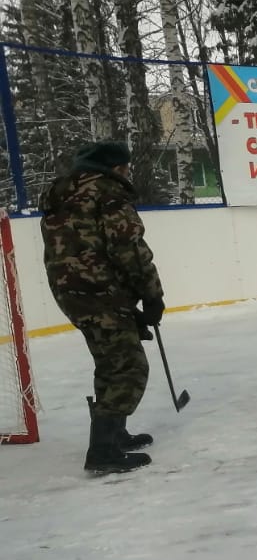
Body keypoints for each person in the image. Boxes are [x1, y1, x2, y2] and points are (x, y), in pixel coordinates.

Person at [39, 140, 164, 474]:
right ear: (116, 168)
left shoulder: (61, 194)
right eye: (125, 167)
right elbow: (129, 249)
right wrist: (151, 296)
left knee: (110, 361)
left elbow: (81, 249)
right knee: (130, 367)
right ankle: (103, 451)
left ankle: (116, 434)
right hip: (99, 290)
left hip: (71, 292)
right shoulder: (108, 193)